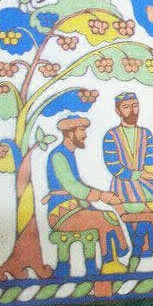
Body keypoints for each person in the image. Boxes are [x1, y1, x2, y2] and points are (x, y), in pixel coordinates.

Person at [45, 115, 128, 277]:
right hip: (61, 212)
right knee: (106, 218)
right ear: (70, 133)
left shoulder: (68, 153)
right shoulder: (58, 155)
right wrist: (102, 196)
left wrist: (105, 197)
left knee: (108, 216)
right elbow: (73, 187)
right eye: (81, 130)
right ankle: (109, 263)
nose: (85, 135)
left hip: (74, 208)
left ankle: (110, 262)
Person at [102, 92, 153, 201]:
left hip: (146, 182)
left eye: (135, 106)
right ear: (118, 111)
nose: (132, 111)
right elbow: (114, 168)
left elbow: (149, 164)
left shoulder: (146, 134)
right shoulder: (111, 135)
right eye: (126, 107)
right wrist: (140, 175)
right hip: (123, 186)